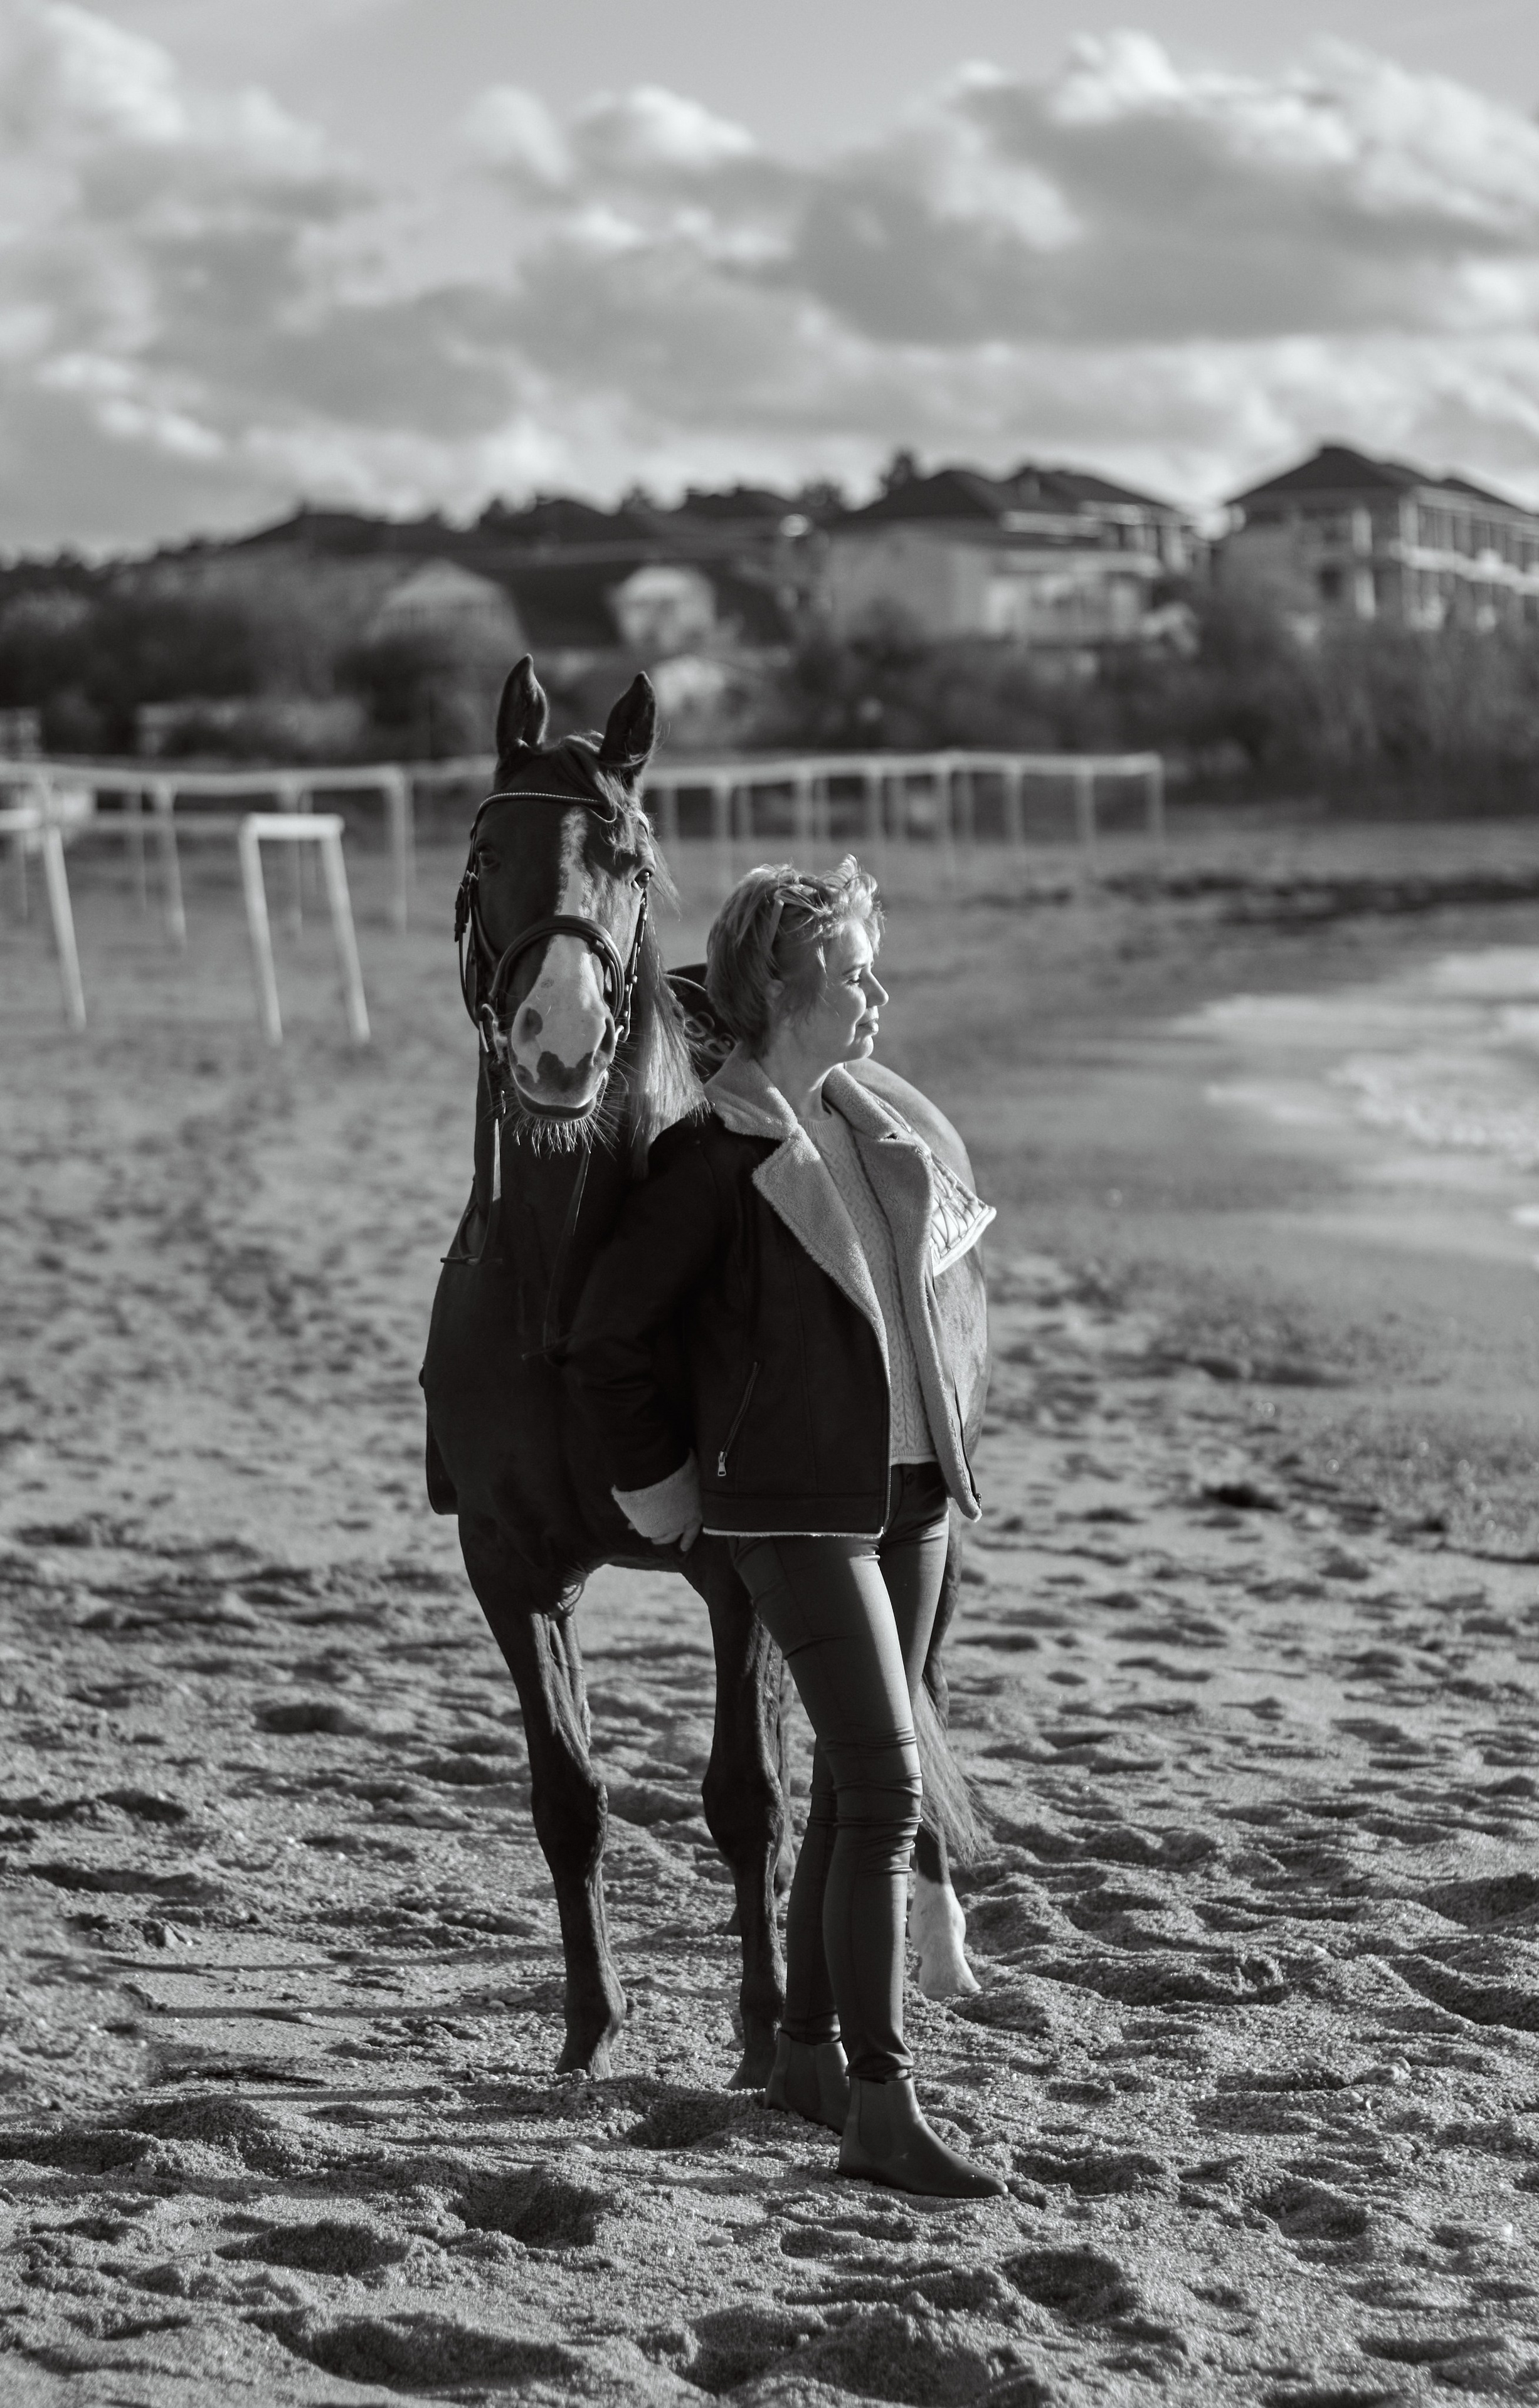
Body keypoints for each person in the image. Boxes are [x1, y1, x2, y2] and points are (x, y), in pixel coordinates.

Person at [568, 858, 1005, 2199]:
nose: (874, 992)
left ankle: (807, 2053)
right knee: (881, 1789)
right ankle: (881, 2107)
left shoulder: (876, 1127)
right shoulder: (712, 1161)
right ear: (781, 987)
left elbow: (933, 1299)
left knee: (843, 1789)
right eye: (852, 971)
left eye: (871, 967)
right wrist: (675, 1495)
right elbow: (605, 1343)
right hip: (792, 1517)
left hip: (909, 1497)